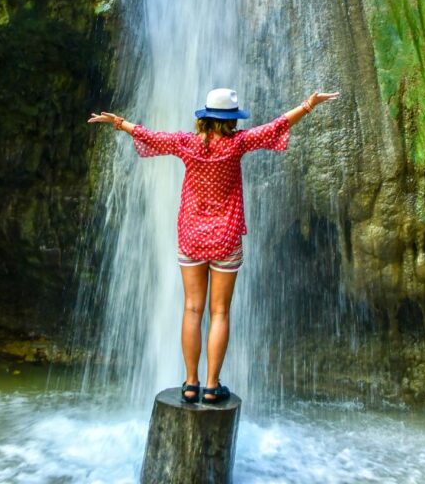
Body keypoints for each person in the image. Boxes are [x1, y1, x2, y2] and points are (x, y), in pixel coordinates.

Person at [88, 86, 339, 404]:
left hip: (192, 236)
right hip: (226, 238)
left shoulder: (185, 143)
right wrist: (308, 105)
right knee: (219, 312)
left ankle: (190, 383)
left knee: (192, 309)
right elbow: (277, 126)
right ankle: (211, 384)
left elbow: (150, 136)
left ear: (204, 117)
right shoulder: (239, 143)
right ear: (232, 120)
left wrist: (119, 122)